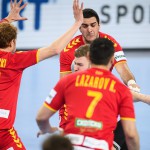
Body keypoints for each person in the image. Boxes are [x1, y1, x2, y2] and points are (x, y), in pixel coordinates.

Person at [0, 0, 83, 149]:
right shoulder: (16, 60)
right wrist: (77, 23)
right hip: (3, 132)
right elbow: (55, 49)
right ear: (12, 43)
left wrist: (7, 20)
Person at [36, 38, 140, 150]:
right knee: (122, 129)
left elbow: (41, 117)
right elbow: (131, 135)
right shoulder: (120, 89)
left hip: (72, 145)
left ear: (90, 57)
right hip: (101, 146)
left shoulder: (68, 81)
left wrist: (47, 129)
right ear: (112, 60)